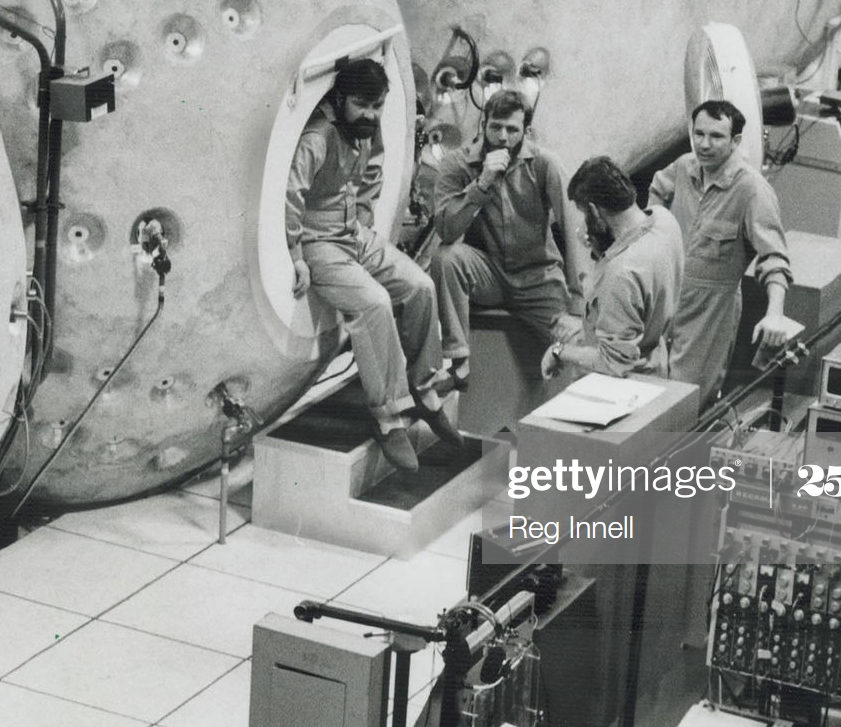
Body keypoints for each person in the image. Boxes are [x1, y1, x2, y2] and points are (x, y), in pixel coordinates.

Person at [287, 58, 457, 471]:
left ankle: (426, 387)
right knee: (375, 303)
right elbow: (291, 197)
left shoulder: (364, 128)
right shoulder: (318, 137)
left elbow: (375, 167)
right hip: (319, 240)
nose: (371, 115)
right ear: (342, 98)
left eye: (378, 105)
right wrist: (296, 256)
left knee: (421, 287)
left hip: (354, 233)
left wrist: (363, 214)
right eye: (363, 105)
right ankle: (389, 416)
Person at [430, 89, 587, 390]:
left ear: (525, 132)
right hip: (488, 273)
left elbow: (572, 230)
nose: (503, 137)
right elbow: (447, 231)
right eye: (496, 127)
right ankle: (459, 364)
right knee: (446, 256)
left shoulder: (544, 164)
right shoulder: (456, 164)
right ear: (483, 125)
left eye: (512, 130)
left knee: (577, 345)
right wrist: (482, 182)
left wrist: (577, 305)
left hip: (538, 277)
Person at [650, 100, 800, 400]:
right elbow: (657, 190)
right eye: (699, 134)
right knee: (650, 388)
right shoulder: (683, 167)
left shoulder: (752, 190)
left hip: (710, 312)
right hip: (666, 298)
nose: (704, 144)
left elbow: (774, 259)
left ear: (736, 141)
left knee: (685, 397)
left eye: (716, 137)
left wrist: (775, 314)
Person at [542, 157, 685, 379]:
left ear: (595, 211)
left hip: (623, 387)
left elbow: (612, 364)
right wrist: (600, 246)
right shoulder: (665, 220)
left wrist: (560, 351)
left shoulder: (621, 274)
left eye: (584, 214)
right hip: (657, 365)